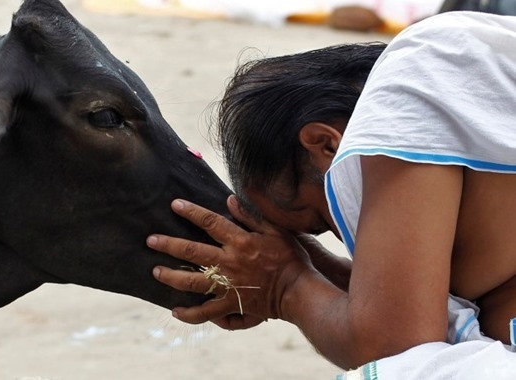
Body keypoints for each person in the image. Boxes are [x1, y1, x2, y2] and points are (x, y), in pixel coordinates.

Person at [146, 11, 516, 376]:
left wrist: (284, 285)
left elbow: (399, 354)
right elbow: (412, 316)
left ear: (324, 144)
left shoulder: (414, 75)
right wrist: (313, 266)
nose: (351, 239)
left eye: (323, 220)